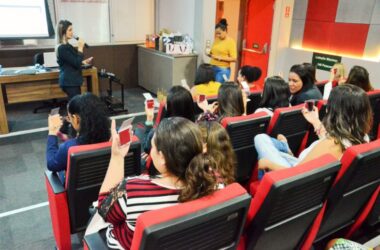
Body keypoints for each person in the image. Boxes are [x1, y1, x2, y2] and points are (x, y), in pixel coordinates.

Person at [97, 117, 221, 249]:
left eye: (153, 146)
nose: (151, 151)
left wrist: (117, 157)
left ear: (162, 157)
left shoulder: (133, 191)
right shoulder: (214, 184)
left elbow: (104, 209)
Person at [254, 84, 372, 174]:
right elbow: (336, 138)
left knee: (260, 139)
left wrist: (267, 163)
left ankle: (284, 147)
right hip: (301, 165)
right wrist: (315, 121)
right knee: (265, 142)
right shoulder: (362, 137)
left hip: (293, 174)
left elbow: (295, 175)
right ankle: (284, 147)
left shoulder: (331, 145)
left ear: (334, 111)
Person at [46, 93, 111, 183]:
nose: (69, 120)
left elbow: (51, 164)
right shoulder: (113, 136)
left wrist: (52, 133)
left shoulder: (69, 148)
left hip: (78, 195)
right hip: (107, 186)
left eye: (70, 118)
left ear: (76, 119)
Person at [139, 86, 195, 155]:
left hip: (162, 163)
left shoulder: (159, 133)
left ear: (170, 109)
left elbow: (147, 148)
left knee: (139, 133)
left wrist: (149, 118)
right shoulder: (195, 131)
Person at [56, 20, 93, 100]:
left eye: (72, 30)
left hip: (73, 80)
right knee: (75, 106)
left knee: (75, 105)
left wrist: (83, 62)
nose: (72, 32)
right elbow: (76, 62)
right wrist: (80, 47)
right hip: (69, 82)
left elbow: (73, 61)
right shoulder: (62, 48)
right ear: (63, 32)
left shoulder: (68, 46)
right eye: (70, 30)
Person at [207, 19, 237, 83]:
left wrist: (220, 58)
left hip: (222, 69)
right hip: (212, 67)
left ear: (225, 31)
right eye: (216, 33)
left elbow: (234, 59)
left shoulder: (231, 42)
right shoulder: (217, 39)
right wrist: (209, 53)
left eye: (219, 33)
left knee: (218, 89)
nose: (217, 35)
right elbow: (214, 52)